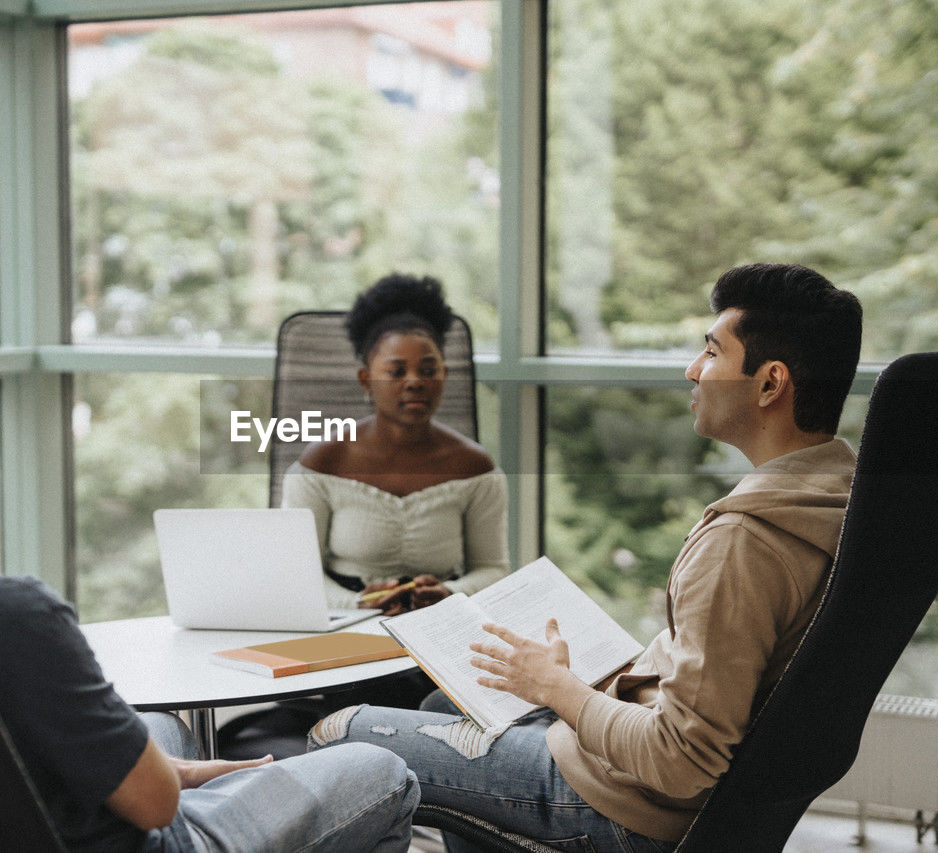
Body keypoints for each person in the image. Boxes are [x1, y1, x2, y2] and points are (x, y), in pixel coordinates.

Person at [0, 290, 420, 853]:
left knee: (162, 730)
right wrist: (169, 781)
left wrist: (164, 771)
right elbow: (155, 808)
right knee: (378, 771)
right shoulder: (8, 616)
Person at [307, 263, 863, 851]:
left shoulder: (743, 543)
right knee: (451, 700)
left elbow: (683, 760)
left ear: (770, 384)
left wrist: (560, 690)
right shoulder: (838, 501)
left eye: (711, 353)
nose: (692, 370)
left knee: (337, 735)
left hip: (623, 806)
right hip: (668, 785)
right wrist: (581, 684)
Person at [282, 273, 509, 617]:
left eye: (429, 370)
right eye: (396, 371)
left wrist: (450, 592)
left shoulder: (475, 467)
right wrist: (358, 604)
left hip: (442, 624)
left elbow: (494, 569)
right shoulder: (322, 462)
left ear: (444, 376)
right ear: (366, 380)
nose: (415, 382)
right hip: (344, 624)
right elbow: (294, 574)